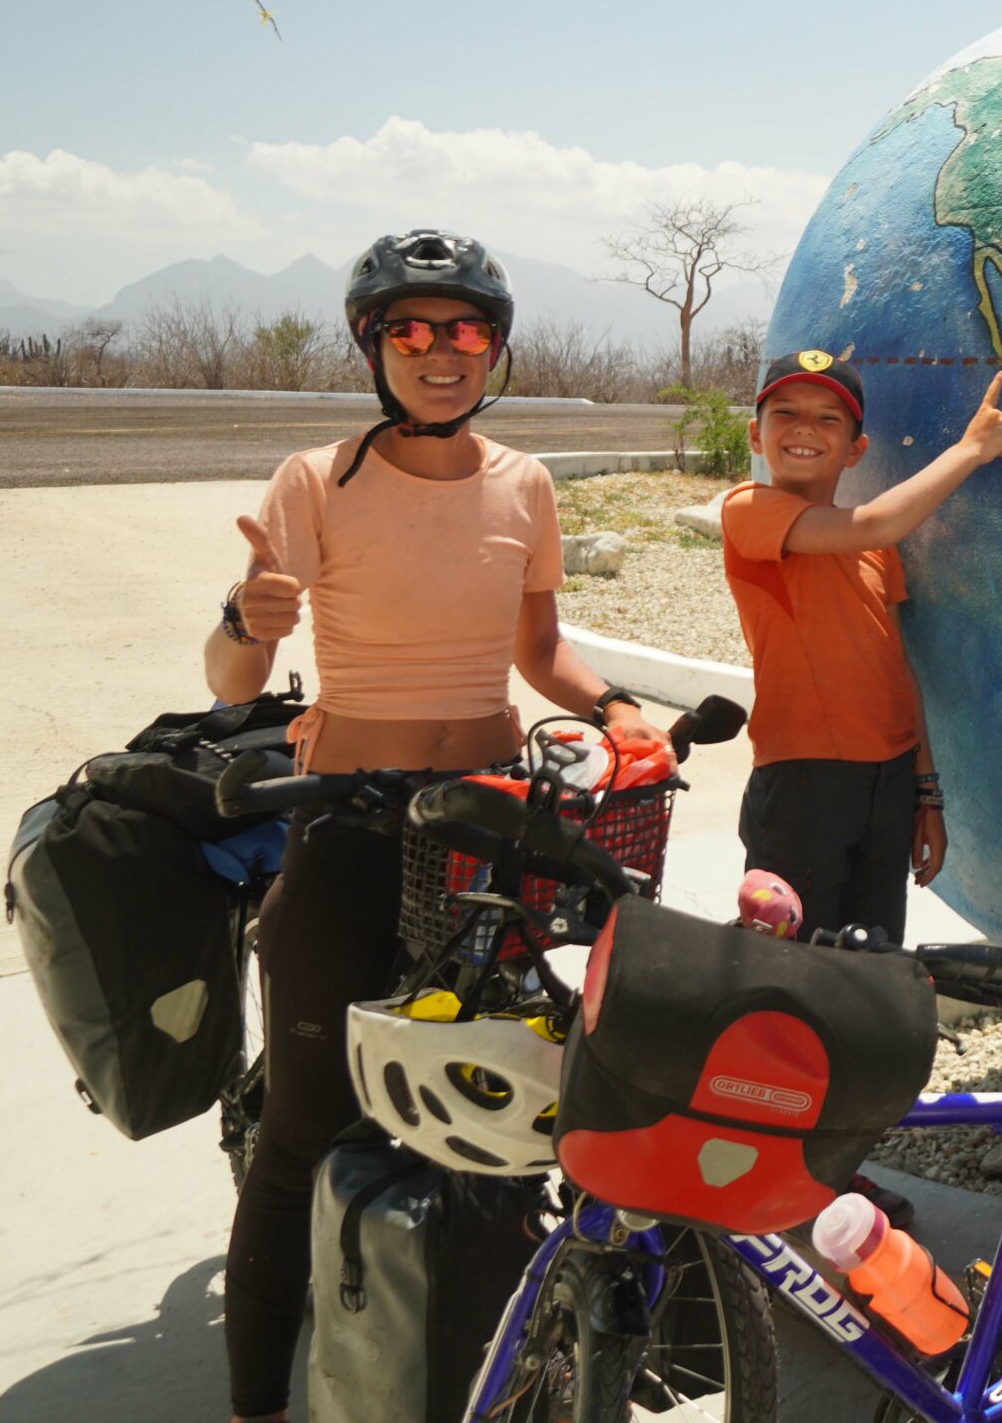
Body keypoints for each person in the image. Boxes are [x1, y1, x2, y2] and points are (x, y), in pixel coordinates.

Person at [206, 229, 671, 1423]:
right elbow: (230, 678)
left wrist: (617, 707)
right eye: (409, 329)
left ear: (496, 347)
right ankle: (260, 1398)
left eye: (463, 329)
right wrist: (250, 616)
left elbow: (539, 651)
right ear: (374, 346)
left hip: (485, 839)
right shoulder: (316, 480)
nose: (438, 351)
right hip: (350, 831)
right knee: (309, 1120)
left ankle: (473, 1356)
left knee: (494, 1112)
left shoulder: (523, 483)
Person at [720, 351, 1002, 948]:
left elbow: (897, 667)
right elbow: (877, 523)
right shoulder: (748, 509)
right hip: (802, 783)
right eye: (786, 412)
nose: (805, 428)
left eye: (830, 419)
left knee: (871, 963)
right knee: (791, 970)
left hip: (889, 781)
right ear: (756, 432)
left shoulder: (875, 545)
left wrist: (924, 791)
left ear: (856, 448)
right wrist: (972, 448)